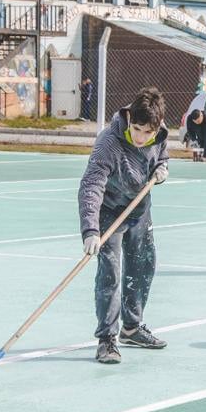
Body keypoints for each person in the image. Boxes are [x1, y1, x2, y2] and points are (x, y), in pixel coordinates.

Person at [78, 87, 170, 364]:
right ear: (129, 118)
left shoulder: (159, 132)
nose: (142, 138)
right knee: (110, 274)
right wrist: (91, 230)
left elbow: (161, 155)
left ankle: (132, 327)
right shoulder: (108, 143)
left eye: (148, 133)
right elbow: (91, 185)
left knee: (143, 266)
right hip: (109, 213)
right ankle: (107, 339)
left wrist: (162, 169)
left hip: (139, 208)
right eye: (137, 129)